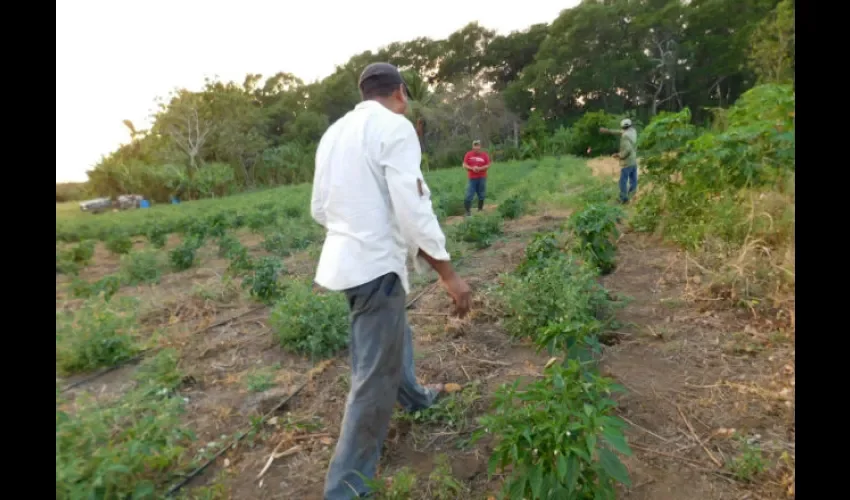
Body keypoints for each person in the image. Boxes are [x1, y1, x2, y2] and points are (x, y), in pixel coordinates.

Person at [310, 62, 472, 500]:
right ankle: (345, 490)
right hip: (374, 266)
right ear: (400, 92)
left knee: (391, 335)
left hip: (347, 263)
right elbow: (413, 208)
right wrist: (449, 275)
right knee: (370, 379)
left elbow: (320, 209)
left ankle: (416, 397)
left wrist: (354, 229)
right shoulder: (395, 128)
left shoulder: (334, 133)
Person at [600, 119, 639, 203]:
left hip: (627, 161)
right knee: (633, 180)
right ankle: (632, 196)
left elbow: (627, 149)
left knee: (623, 181)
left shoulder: (625, 136)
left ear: (623, 127)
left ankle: (623, 199)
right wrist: (608, 131)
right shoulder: (633, 132)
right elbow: (620, 132)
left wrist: (619, 155)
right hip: (633, 160)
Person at [462, 140, 491, 216]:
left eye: (478, 145)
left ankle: (480, 210)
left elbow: (488, 165)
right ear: (473, 146)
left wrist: (480, 168)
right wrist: (472, 168)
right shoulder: (468, 154)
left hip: (482, 177)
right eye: (475, 145)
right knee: (469, 194)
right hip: (472, 178)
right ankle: (467, 212)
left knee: (481, 194)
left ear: (480, 146)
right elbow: (464, 165)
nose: (476, 147)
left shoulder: (484, 155)